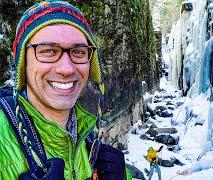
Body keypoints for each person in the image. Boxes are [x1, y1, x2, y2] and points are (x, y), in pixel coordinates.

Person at [0, 1, 131, 179]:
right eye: (48, 51)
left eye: (78, 52)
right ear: (22, 63)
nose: (67, 69)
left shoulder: (88, 136)